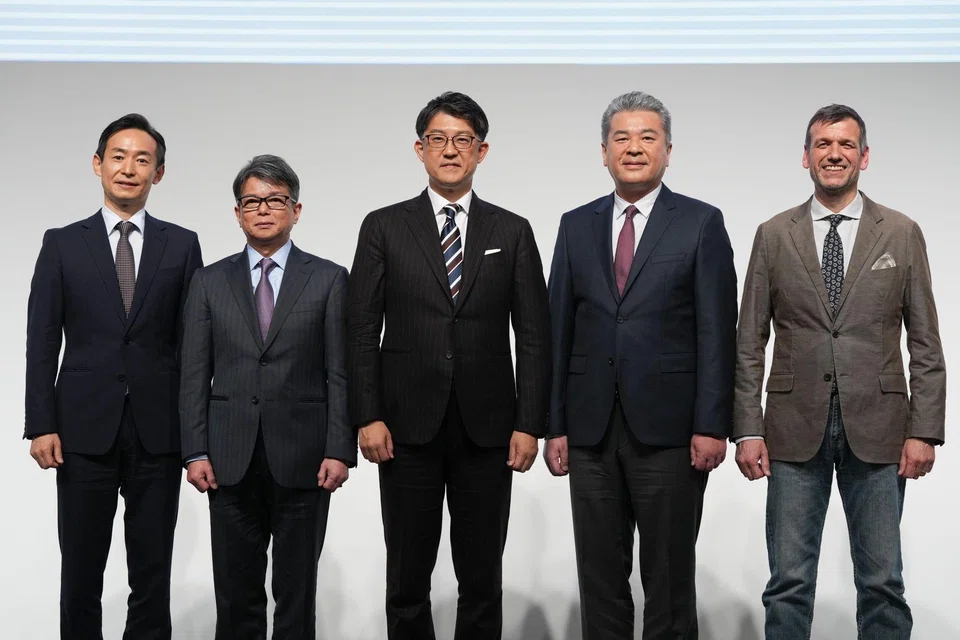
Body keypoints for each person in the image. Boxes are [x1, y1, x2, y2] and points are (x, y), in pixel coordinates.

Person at [733, 104, 946, 639]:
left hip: (879, 428)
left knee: (881, 583)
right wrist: (748, 427)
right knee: (787, 583)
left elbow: (925, 341)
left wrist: (924, 430)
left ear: (864, 157)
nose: (834, 154)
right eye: (823, 144)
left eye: (846, 145)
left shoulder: (900, 232)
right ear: (805, 157)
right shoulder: (773, 234)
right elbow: (749, 342)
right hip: (790, 427)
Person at [346, 91, 551, 640]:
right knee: (407, 577)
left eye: (463, 141)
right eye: (439, 139)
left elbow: (533, 336)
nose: (451, 150)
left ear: (482, 151)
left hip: (488, 429)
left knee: (481, 577)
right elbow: (362, 330)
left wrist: (530, 422)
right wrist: (366, 414)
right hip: (404, 427)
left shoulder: (512, 231)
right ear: (420, 149)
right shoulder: (384, 227)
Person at [544, 91, 738, 640]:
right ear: (603, 152)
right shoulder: (574, 225)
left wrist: (711, 423)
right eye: (622, 138)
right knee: (600, 578)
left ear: (668, 151)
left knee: (670, 580)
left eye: (647, 137)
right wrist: (554, 425)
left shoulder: (700, 223)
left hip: (673, 433)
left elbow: (716, 332)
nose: (634, 148)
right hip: (590, 430)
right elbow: (558, 329)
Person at [24, 113, 202, 639]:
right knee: (80, 570)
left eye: (143, 160)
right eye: (119, 157)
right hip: (81, 430)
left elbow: (193, 346)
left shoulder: (182, 244)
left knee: (152, 571)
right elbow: (41, 340)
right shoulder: (62, 243)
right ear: (98, 165)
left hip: (158, 430)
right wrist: (41, 423)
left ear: (159, 173)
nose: (130, 168)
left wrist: (195, 436)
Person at [179, 154, 353, 639]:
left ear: (296, 210)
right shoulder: (209, 281)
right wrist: (194, 450)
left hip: (304, 458)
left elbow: (340, 372)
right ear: (237, 213)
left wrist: (339, 449)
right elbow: (194, 374)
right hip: (228, 458)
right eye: (251, 200)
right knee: (236, 597)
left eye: (275, 200)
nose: (263, 209)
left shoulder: (328, 278)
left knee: (296, 594)